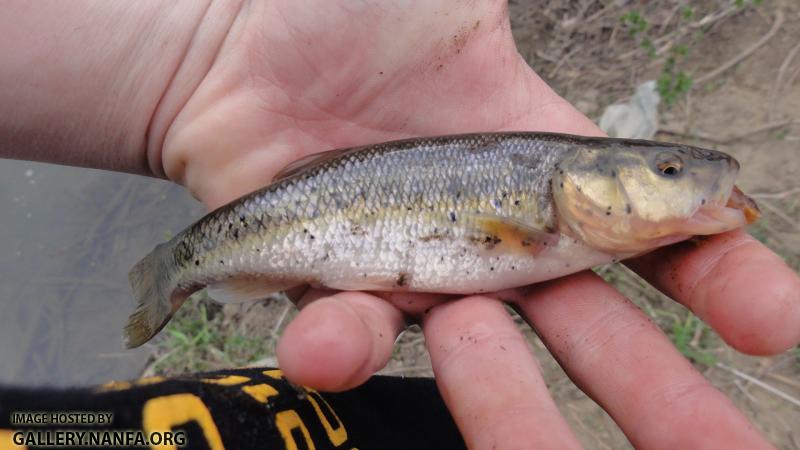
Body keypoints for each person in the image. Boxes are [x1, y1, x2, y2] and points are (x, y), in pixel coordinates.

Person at [4, 1, 798, 448]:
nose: (686, 183)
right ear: (590, 183)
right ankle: (177, 268)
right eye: (667, 172)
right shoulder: (549, 215)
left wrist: (200, 47)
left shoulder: (564, 215)